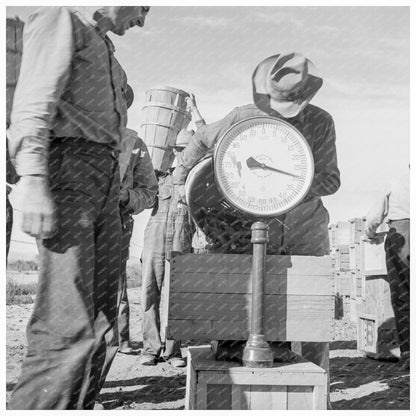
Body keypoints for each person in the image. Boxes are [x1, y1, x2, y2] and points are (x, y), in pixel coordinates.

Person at [172, 53, 340, 407]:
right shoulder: (241, 116)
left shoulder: (322, 122)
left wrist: (293, 187)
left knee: (309, 311)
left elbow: (331, 179)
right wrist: (181, 183)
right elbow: (200, 141)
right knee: (236, 308)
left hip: (301, 229)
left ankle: (316, 401)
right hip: (241, 230)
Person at [6, 6, 150, 410]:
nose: (142, 21)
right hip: (70, 171)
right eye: (142, 7)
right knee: (66, 321)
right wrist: (33, 177)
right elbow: (34, 100)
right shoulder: (60, 20)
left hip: (104, 177)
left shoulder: (106, 50)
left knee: (103, 322)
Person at [140, 95, 206, 367]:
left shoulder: (196, 177)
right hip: (154, 239)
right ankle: (150, 349)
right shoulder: (158, 173)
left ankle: (173, 350)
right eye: (179, 148)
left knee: (176, 296)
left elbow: (210, 140)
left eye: (187, 148)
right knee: (149, 293)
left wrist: (194, 112)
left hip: (181, 239)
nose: (183, 152)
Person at [117, 86, 158, 354]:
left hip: (115, 224)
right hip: (72, 225)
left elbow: (150, 194)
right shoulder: (71, 133)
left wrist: (126, 197)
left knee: (114, 287)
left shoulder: (133, 144)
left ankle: (116, 341)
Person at [365, 168, 410, 367]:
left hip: (402, 235)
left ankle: (409, 354)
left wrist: (371, 233)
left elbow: (375, 216)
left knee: (403, 296)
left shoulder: (397, 180)